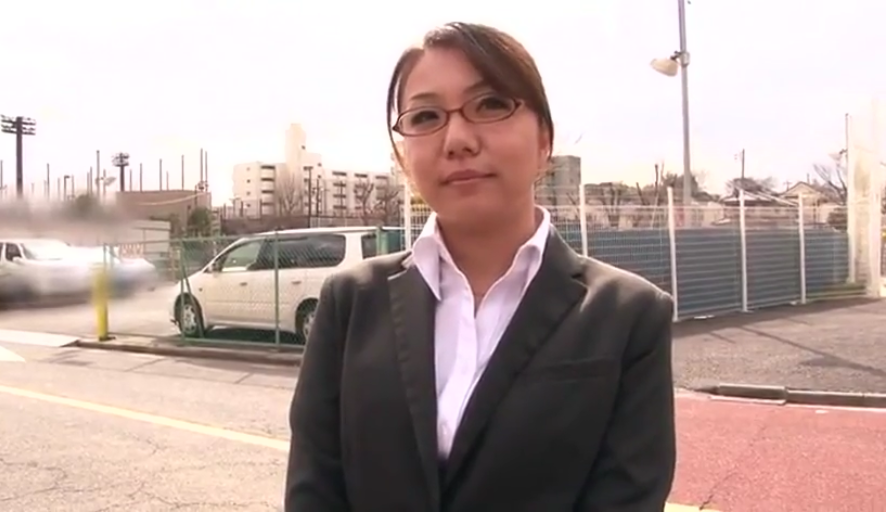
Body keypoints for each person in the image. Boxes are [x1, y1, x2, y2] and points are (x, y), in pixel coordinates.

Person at [285, 21, 676, 512]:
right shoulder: (350, 302)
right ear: (403, 158)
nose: (457, 139)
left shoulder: (628, 314)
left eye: (490, 104)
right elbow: (314, 489)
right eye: (426, 116)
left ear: (544, 140)